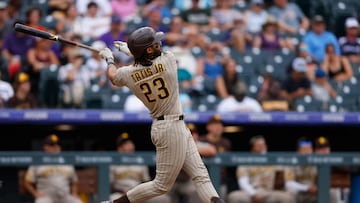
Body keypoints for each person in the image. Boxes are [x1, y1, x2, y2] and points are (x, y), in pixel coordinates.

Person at [99, 26, 225, 203]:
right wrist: (131, 51)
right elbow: (149, 61)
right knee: (161, 186)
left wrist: (110, 60)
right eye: (154, 44)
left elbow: (113, 76)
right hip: (170, 128)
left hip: (170, 126)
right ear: (148, 50)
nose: (159, 44)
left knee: (201, 175)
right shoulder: (168, 61)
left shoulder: (127, 73)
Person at [227, 135, 295, 203]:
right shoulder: (246, 161)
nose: (262, 147)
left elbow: (286, 179)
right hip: (252, 191)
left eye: (263, 144)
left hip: (269, 192)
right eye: (258, 145)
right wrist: (253, 194)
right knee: (233, 197)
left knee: (288, 198)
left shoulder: (273, 159)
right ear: (252, 148)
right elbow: (243, 182)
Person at [110, 133, 171, 203]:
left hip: (138, 192)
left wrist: (141, 192)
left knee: (164, 199)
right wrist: (122, 192)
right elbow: (110, 185)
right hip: (121, 193)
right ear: (119, 148)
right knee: (113, 198)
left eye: (131, 143)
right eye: (126, 144)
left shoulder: (141, 162)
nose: (130, 146)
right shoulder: (113, 163)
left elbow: (146, 181)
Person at [23, 134, 83, 203]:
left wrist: (74, 193)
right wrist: (35, 194)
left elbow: (74, 181)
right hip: (46, 197)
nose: (56, 147)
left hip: (65, 196)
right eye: (52, 145)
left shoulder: (66, 161)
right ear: (46, 147)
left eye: (58, 145)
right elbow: (27, 182)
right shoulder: (38, 161)